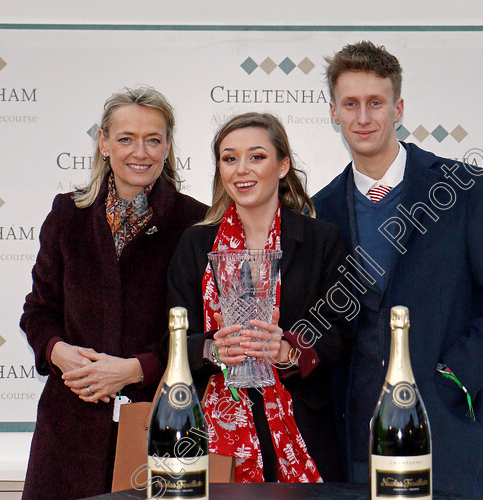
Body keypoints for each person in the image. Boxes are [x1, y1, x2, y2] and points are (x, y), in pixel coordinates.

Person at [313, 41, 483, 499]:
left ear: (398, 108)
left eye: (375, 103)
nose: (363, 117)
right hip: (357, 447)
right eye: (351, 104)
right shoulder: (321, 210)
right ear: (333, 113)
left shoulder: (461, 189)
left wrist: (454, 376)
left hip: (446, 440)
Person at [19, 86, 207, 499]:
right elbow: (38, 311)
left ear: (168, 146)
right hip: (68, 431)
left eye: (153, 139)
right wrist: (57, 351)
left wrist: (135, 369)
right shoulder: (68, 214)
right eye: (126, 138)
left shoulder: (196, 223)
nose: (139, 151)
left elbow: (205, 335)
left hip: (158, 426)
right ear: (103, 142)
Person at [167, 112, 354, 483]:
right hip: (211, 436)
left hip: (302, 430)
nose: (241, 169)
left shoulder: (321, 240)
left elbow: (342, 333)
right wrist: (211, 350)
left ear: (283, 166)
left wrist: (289, 351)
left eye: (256, 156)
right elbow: (170, 341)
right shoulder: (195, 244)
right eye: (229, 158)